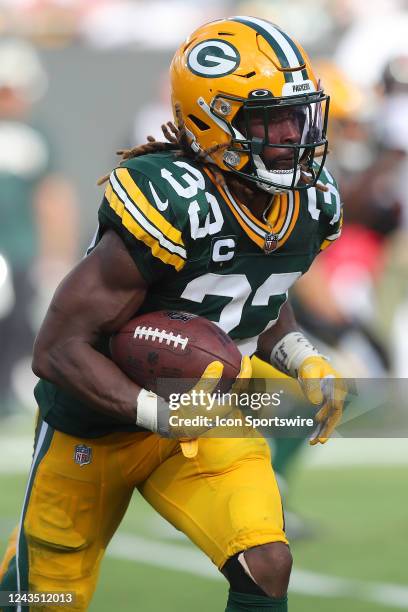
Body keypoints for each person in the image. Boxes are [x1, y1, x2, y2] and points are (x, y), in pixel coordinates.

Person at [0, 16, 347, 612]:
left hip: (205, 411)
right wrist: (154, 411)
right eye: (269, 121)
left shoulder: (309, 201)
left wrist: (301, 355)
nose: (292, 136)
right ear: (210, 119)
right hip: (97, 425)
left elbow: (256, 292)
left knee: (266, 561)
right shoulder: (171, 197)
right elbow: (57, 348)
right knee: (45, 599)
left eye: (297, 116)